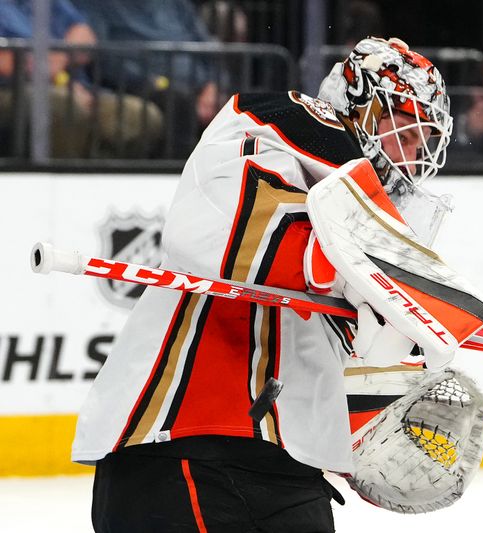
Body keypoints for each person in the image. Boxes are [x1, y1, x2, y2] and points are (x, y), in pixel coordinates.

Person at [76, 36, 455, 532]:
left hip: (289, 468)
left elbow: (343, 366)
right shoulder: (279, 121)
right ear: (358, 108)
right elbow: (219, 236)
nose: (410, 155)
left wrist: (388, 408)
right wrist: (352, 269)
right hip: (177, 444)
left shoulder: (376, 234)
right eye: (400, 132)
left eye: (421, 142)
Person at [0, 0, 163, 158]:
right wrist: (58, 79)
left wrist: (60, 57)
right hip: (14, 89)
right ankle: (56, 180)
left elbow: (85, 36)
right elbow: (8, 61)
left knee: (138, 115)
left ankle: (98, 181)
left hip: (77, 87)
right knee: (64, 106)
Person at [71, 0, 226, 158]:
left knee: (241, 103)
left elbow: (210, 49)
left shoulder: (176, 4)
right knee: (178, 100)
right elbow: (105, 59)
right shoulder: (96, 5)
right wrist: (154, 81)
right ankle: (177, 176)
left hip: (201, 88)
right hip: (139, 85)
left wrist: (213, 86)